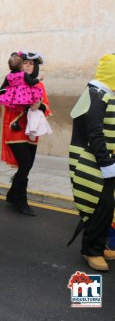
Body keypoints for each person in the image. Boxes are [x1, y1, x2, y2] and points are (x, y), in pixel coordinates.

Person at [68, 53, 115, 271]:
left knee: (106, 205)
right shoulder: (95, 95)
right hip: (90, 161)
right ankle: (91, 250)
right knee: (98, 204)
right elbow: (94, 133)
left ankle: (98, 244)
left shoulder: (105, 94)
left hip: (103, 160)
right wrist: (107, 165)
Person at [0, 52, 51, 216]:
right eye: (25, 63)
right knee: (26, 164)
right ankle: (21, 200)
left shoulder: (39, 86)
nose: (28, 66)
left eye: (31, 63)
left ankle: (12, 194)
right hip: (14, 127)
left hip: (32, 130)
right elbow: (4, 100)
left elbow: (47, 108)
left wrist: (39, 106)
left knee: (26, 166)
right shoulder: (12, 81)